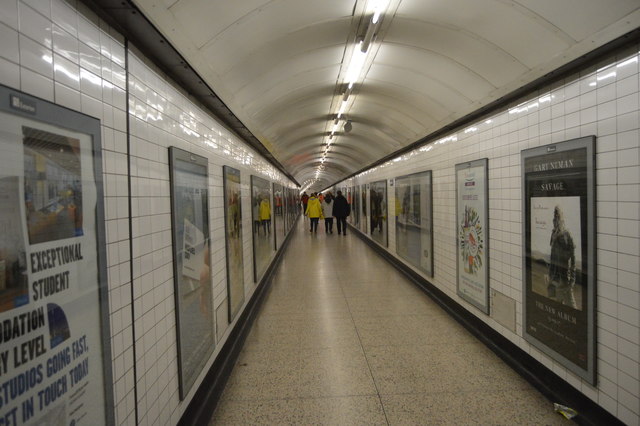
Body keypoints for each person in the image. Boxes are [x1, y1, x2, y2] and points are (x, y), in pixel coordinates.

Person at [547, 206, 577, 309]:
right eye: (554, 218)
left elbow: (573, 258)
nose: (556, 221)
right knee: (558, 308)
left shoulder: (567, 235)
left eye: (558, 218)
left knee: (572, 308)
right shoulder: (553, 235)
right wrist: (550, 276)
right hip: (555, 280)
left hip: (565, 280)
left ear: (562, 219)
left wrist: (572, 279)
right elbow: (552, 257)